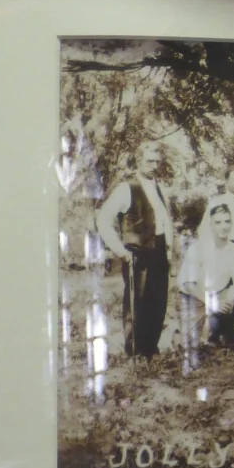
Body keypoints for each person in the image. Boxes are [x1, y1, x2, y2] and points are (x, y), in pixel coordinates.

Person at [95, 142, 175, 358]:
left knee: (158, 302)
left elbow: (165, 222)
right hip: (136, 253)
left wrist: (168, 251)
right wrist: (120, 251)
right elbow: (103, 220)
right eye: (149, 160)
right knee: (137, 303)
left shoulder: (159, 188)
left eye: (157, 161)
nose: (154, 165)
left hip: (158, 251)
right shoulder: (126, 188)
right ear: (138, 160)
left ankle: (151, 349)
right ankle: (135, 352)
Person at [177, 200, 234, 362]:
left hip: (220, 294)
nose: (224, 226)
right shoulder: (198, 248)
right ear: (210, 225)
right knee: (190, 346)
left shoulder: (233, 248)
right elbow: (188, 284)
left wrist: (230, 297)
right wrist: (211, 302)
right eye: (218, 222)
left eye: (227, 221)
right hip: (196, 297)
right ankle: (189, 333)